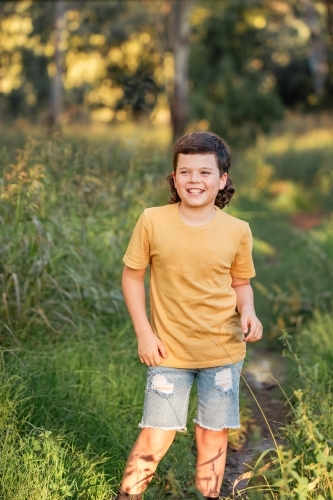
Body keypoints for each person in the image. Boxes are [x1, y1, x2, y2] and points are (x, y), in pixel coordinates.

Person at [115, 131, 263, 500]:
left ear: (222, 179)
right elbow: (133, 277)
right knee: (157, 431)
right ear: (174, 177)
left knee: (213, 433)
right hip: (169, 352)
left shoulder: (238, 231)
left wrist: (249, 312)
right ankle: (128, 496)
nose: (194, 180)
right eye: (186, 172)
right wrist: (144, 333)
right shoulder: (152, 221)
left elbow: (241, 283)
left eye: (205, 172)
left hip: (223, 352)